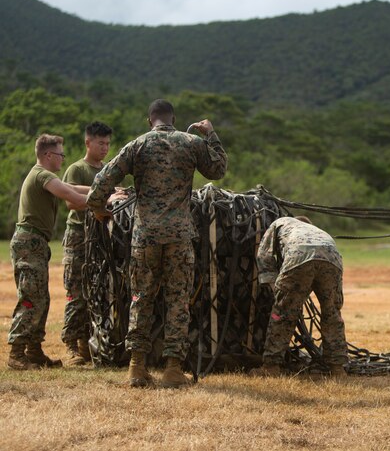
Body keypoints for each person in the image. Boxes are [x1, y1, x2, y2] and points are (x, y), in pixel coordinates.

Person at [86, 99, 227, 388]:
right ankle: (173, 369)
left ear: (150, 121)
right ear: (173, 119)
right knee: (177, 301)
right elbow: (218, 170)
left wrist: (98, 208)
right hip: (178, 237)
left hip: (145, 237)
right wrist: (210, 134)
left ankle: (137, 367)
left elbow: (102, 181)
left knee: (141, 297)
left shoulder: (137, 145)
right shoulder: (190, 143)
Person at [7, 134, 89, 370]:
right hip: (29, 242)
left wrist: (106, 187)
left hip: (35, 242)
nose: (63, 158)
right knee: (31, 298)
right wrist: (106, 198)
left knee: (41, 297)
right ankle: (16, 353)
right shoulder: (41, 174)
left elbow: (71, 187)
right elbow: (71, 196)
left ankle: (33, 351)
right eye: (61, 154)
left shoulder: (44, 176)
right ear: (48, 155)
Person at [250, 216, 348, 377]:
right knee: (332, 314)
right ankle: (337, 368)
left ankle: (271, 366)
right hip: (332, 258)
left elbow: (263, 255)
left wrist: (274, 287)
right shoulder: (317, 230)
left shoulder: (279, 223)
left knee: (282, 314)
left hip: (299, 256)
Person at [61, 121, 114, 366]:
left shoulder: (108, 170)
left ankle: (89, 344)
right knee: (76, 293)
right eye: (100, 143)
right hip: (79, 237)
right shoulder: (77, 169)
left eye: (107, 143)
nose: (104, 148)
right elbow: (71, 202)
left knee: (98, 292)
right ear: (88, 143)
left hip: (101, 238)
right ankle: (72, 346)